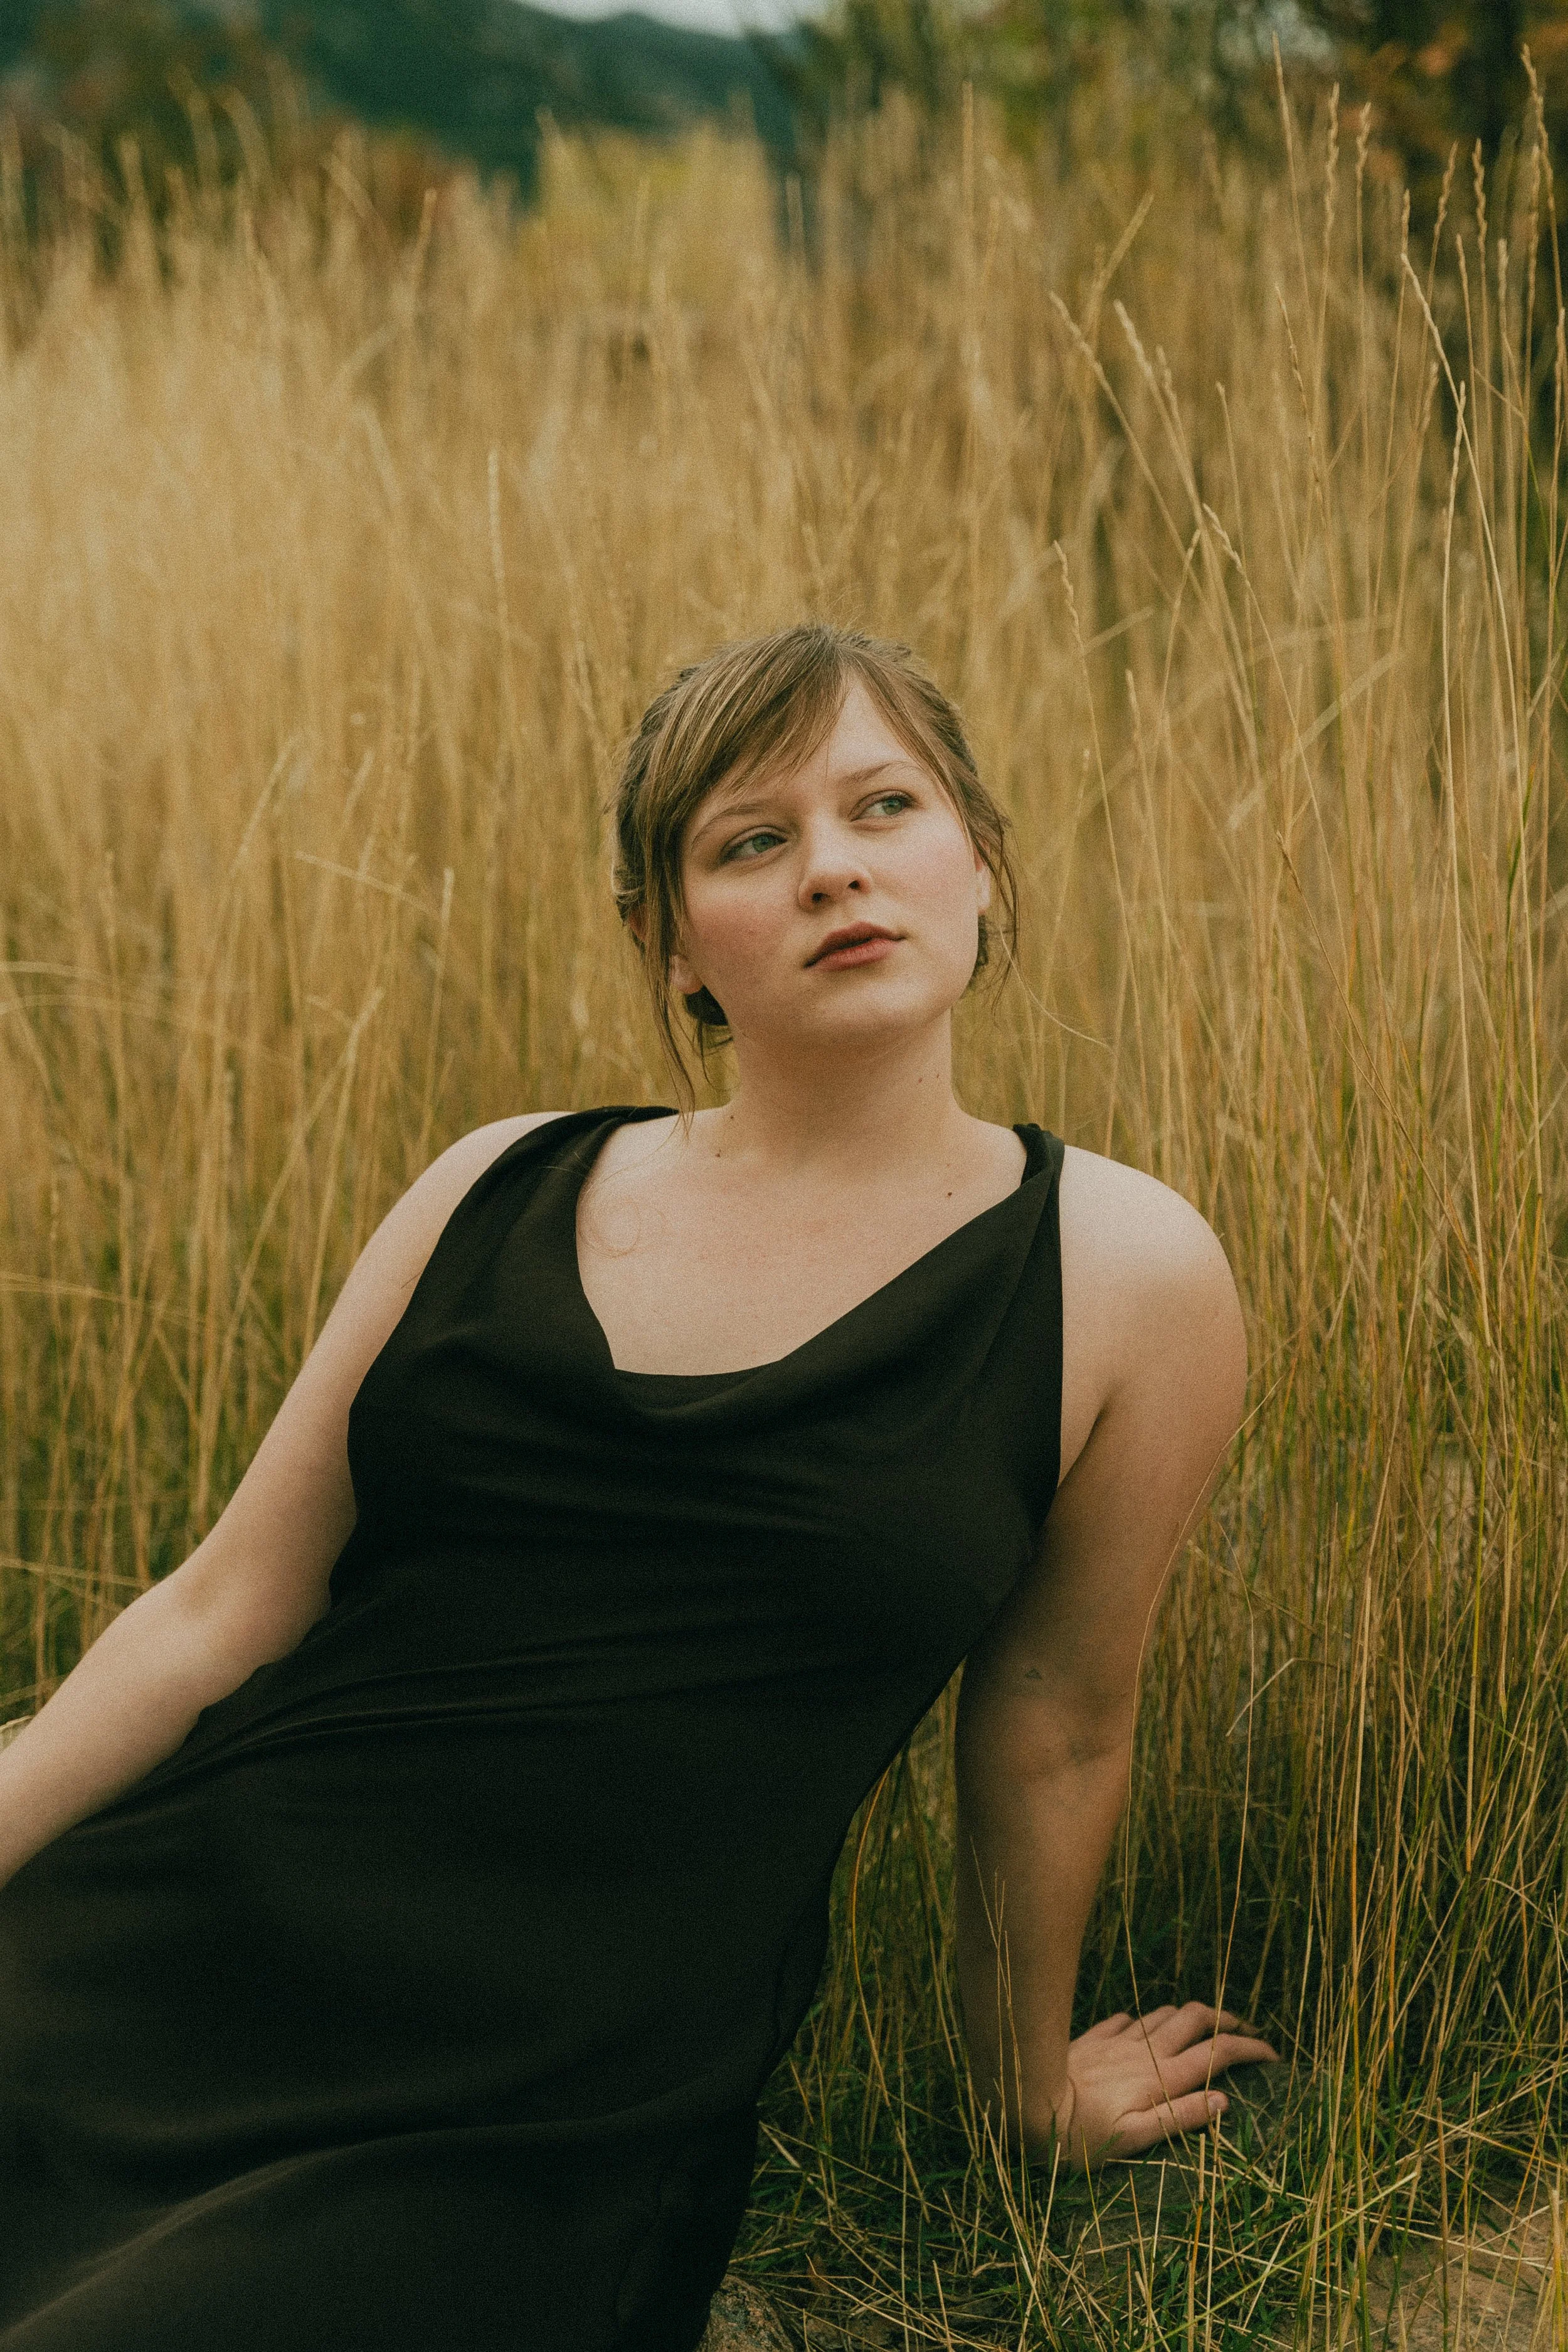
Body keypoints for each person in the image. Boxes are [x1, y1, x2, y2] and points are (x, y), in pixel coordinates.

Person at [0, 623, 1274, 2351]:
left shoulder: (1124, 1273)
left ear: (977, 856)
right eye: (751, 840)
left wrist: (1021, 2084)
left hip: (543, 2103)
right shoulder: (495, 1187)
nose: (832, 865)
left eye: (883, 804)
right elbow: (224, 1603)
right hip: (176, 1943)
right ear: (670, 944)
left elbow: (1050, 1720)